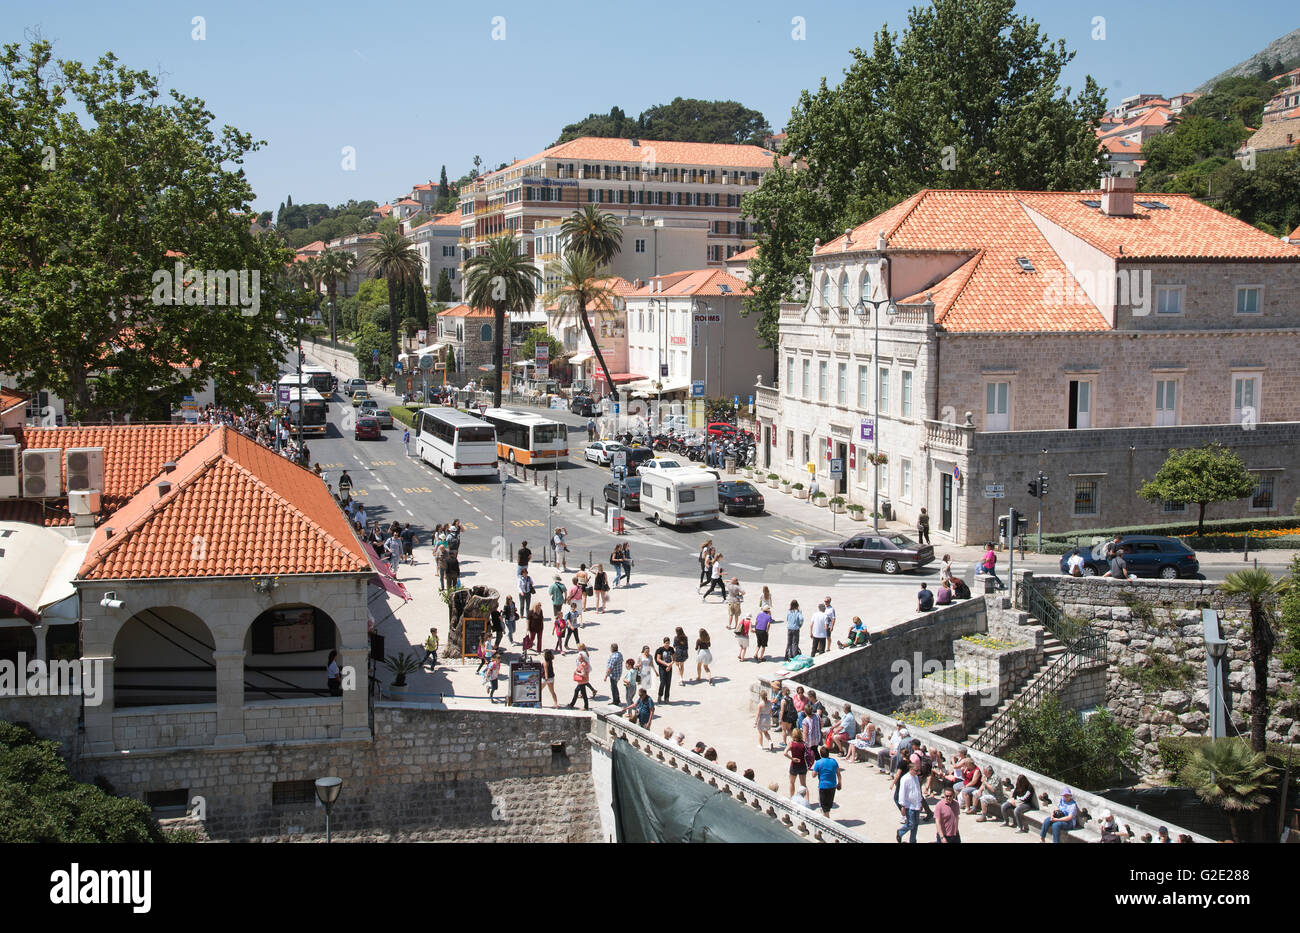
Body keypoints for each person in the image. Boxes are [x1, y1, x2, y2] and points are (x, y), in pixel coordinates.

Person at [896, 762, 923, 843]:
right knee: (911, 823)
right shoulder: (905, 779)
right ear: (911, 770)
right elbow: (902, 793)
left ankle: (913, 840)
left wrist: (920, 802)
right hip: (909, 805)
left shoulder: (916, 777)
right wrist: (902, 806)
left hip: (916, 804)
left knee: (916, 825)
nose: (918, 772)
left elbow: (918, 790)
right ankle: (900, 832)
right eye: (916, 770)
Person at [811, 747, 842, 816]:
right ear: (828, 753)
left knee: (824, 807)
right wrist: (839, 783)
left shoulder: (818, 762)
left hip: (823, 786)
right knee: (828, 806)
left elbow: (813, 775)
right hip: (833, 786)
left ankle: (827, 822)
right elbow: (838, 774)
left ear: (820, 754)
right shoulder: (834, 761)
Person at [786, 727, 809, 796]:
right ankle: (807, 800)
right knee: (803, 784)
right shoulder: (804, 744)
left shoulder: (791, 743)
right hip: (803, 765)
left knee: (792, 783)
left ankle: (791, 798)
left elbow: (785, 753)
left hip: (794, 765)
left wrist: (792, 758)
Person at [654, 638, 675, 702]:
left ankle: (667, 697)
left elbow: (674, 659)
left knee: (668, 683)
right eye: (666, 643)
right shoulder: (660, 650)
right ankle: (660, 695)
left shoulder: (671, 649)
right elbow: (658, 659)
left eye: (668, 643)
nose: (667, 644)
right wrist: (666, 664)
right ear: (664, 643)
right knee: (662, 682)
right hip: (662, 668)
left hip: (669, 667)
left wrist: (670, 665)